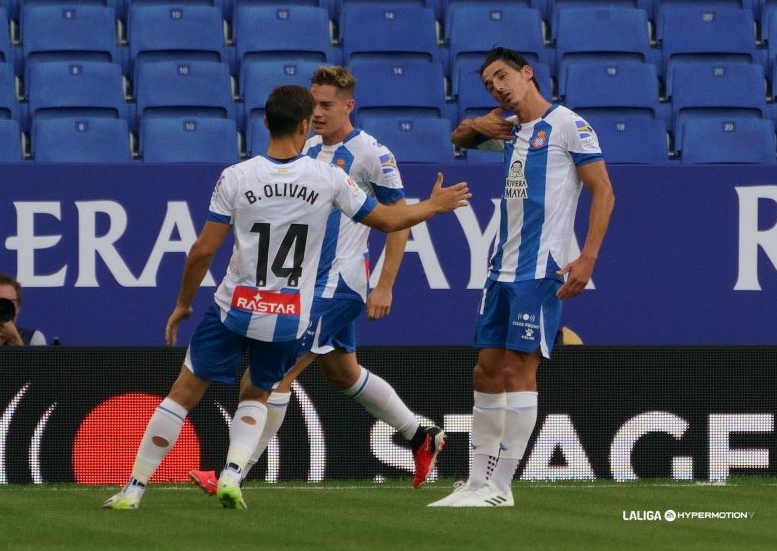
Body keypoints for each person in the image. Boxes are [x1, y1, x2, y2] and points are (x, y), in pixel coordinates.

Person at [102, 85, 470, 510]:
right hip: (289, 311)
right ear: (302, 124)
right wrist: (433, 206)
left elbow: (202, 250)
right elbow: (389, 218)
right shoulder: (328, 178)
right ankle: (236, 473)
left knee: (185, 391)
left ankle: (136, 487)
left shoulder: (236, 176)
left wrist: (183, 302)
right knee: (302, 381)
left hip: (239, 304)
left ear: (262, 123)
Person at [187, 66, 447, 496]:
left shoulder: (371, 154)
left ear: (349, 105)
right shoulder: (304, 146)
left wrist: (385, 284)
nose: (318, 112)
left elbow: (397, 220)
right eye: (314, 105)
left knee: (275, 375)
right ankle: (421, 436)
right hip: (308, 284)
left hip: (338, 285)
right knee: (343, 373)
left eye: (327, 105)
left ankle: (234, 474)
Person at [429, 48, 615, 508]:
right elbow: (458, 136)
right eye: (490, 84)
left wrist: (588, 256)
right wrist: (478, 124)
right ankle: (475, 482)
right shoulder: (509, 130)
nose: (498, 87)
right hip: (501, 270)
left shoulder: (568, 125)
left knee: (518, 370)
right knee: (486, 370)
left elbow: (604, 190)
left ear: (527, 73)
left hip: (541, 269)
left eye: (503, 77)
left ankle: (502, 486)